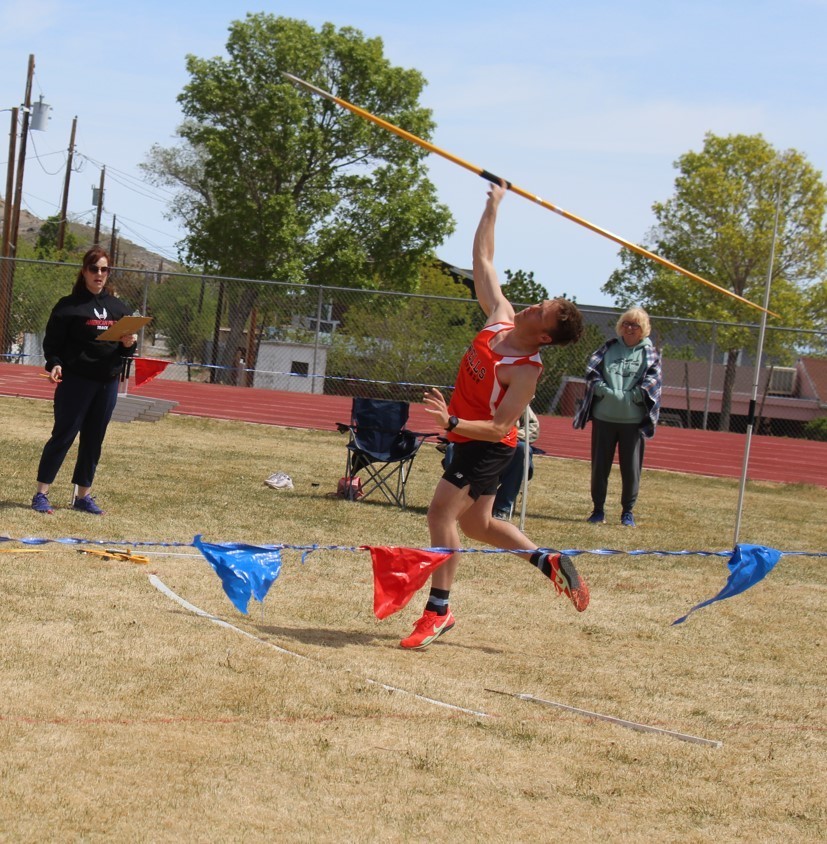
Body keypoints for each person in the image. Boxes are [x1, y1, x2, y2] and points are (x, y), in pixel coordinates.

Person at [401, 180, 589, 651]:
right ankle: (546, 560)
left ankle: (438, 612)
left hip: (486, 445)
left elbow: (503, 427)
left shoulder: (525, 369)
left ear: (544, 336)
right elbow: (483, 261)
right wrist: (494, 205)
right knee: (477, 524)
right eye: (537, 303)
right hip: (468, 438)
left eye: (538, 313)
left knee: (441, 513)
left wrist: (452, 425)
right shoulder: (499, 316)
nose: (529, 307)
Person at [31, 247, 138, 515]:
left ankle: (82, 496)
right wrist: (55, 363)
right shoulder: (68, 306)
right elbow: (53, 344)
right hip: (76, 382)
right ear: (84, 271)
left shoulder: (118, 309)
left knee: (94, 439)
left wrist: (129, 344)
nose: (99, 274)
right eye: (94, 269)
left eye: (104, 269)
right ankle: (41, 494)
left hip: (107, 383)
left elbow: (124, 352)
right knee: (64, 435)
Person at [573, 307, 662, 527]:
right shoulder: (608, 348)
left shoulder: (650, 354)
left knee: (630, 470)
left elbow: (652, 382)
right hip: (604, 417)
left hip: (632, 422)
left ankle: (627, 512)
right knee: (599, 467)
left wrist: (631, 396)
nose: (630, 328)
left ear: (644, 330)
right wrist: (605, 391)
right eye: (627, 324)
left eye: (635, 325)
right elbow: (592, 373)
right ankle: (598, 510)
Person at [492, 405, 540, 520]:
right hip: (478, 443)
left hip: (508, 446)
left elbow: (533, 427)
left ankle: (502, 507)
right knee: (452, 448)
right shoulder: (474, 395)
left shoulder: (518, 398)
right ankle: (455, 502)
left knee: (522, 449)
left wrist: (509, 436)